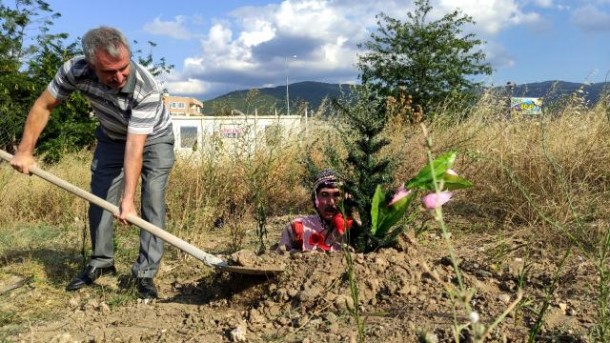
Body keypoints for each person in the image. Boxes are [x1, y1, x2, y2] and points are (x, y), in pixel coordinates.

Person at [9, 26, 174, 299]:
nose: (120, 76)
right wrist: (25, 151)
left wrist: (128, 200)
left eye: (124, 68)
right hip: (111, 136)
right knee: (100, 196)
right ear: (91, 64)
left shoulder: (146, 87)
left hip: (153, 138)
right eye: (110, 72)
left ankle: (145, 273)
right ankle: (101, 262)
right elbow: (43, 106)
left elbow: (135, 146)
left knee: (152, 198)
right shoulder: (75, 70)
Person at [277, 169, 353, 252]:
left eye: (337, 195)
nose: (331, 202)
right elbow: (279, 257)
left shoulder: (356, 228)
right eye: (324, 195)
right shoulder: (298, 227)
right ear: (315, 198)